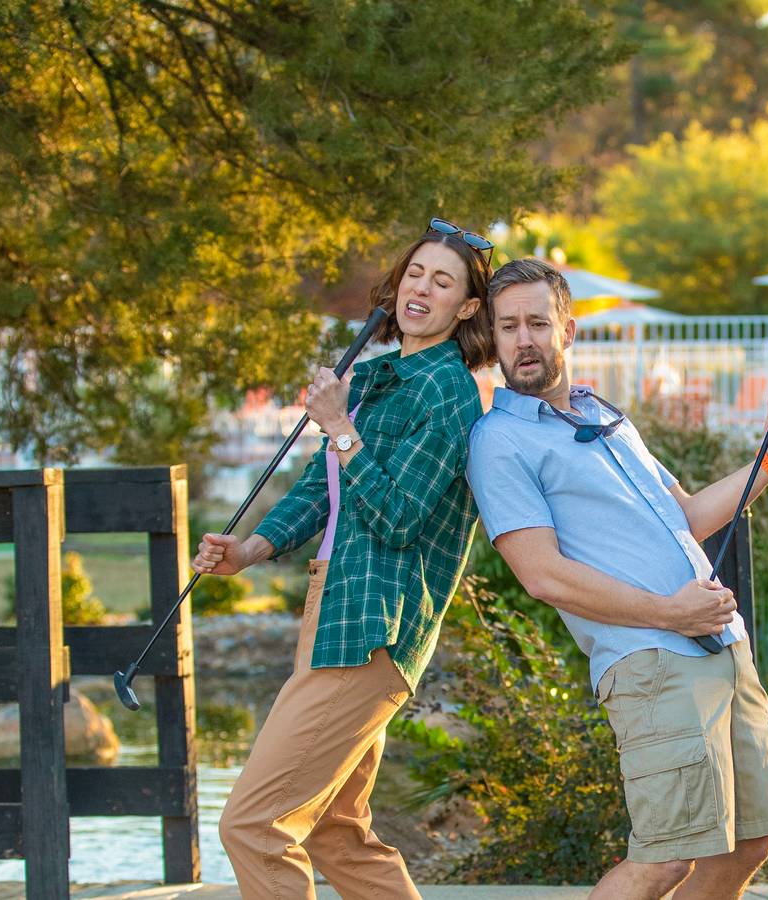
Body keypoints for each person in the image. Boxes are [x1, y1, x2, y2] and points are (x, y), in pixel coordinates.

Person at [465, 258, 768, 900]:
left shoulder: (605, 418)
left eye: (538, 322)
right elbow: (543, 576)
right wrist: (670, 613)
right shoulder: (499, 440)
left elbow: (689, 517)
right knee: (667, 858)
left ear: (569, 328)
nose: (523, 339)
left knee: (748, 843)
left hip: (722, 647)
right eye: (508, 327)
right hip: (649, 662)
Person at [191, 218, 496, 900]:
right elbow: (319, 489)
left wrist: (339, 426)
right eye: (416, 273)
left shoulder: (447, 392)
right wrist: (250, 549)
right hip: (335, 608)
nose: (423, 287)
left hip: (372, 627)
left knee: (254, 824)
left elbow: (397, 518)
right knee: (333, 829)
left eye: (443, 282)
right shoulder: (384, 375)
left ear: (467, 308)